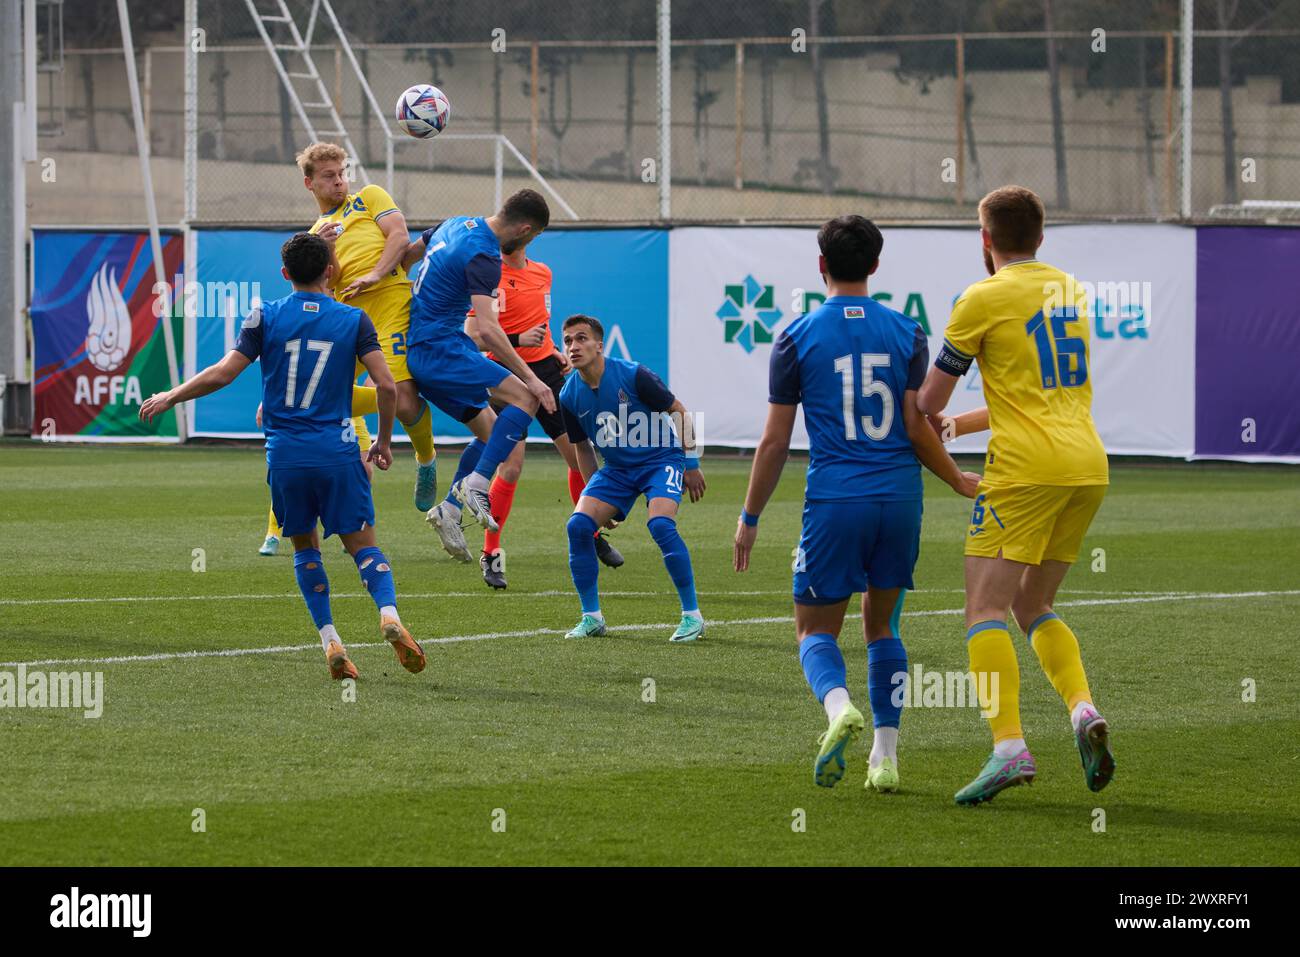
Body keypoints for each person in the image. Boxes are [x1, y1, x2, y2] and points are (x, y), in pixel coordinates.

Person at [734, 215, 979, 792]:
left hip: (836, 498)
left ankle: (839, 707)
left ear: (821, 266)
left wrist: (749, 517)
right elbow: (920, 429)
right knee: (883, 625)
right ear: (875, 265)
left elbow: (773, 442)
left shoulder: (796, 336)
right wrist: (955, 481)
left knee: (813, 629)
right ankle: (885, 759)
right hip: (899, 498)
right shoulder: (908, 331)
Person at [140, 232, 425, 680]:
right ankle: (388, 614)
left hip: (286, 455)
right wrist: (384, 442)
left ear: (285, 273)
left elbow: (223, 373)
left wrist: (172, 396)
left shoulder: (264, 316)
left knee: (304, 546)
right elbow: (388, 387)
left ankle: (331, 640)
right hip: (337, 451)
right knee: (362, 545)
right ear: (331, 270)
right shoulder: (353, 320)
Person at [916, 185, 1114, 806]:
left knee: (984, 610)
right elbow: (1028, 395)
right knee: (1034, 605)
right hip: (1085, 465)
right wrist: (962, 427)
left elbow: (927, 402)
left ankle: (1009, 748)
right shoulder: (1071, 291)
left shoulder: (980, 299)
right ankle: (1083, 711)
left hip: (1024, 471)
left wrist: (934, 422)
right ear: (1041, 237)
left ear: (985, 239)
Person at [460, 250, 624, 587]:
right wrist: (518, 340)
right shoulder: (486, 276)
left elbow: (542, 327)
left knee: (578, 454)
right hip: (505, 375)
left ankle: (588, 531)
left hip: (547, 373)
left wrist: (551, 351)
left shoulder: (542, 273)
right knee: (512, 465)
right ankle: (491, 553)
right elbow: (472, 339)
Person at [401, 190, 556, 543]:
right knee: (526, 398)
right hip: (441, 350)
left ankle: (449, 510)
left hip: (425, 348)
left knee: (493, 435)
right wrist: (533, 378)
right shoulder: (486, 256)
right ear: (526, 229)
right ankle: (478, 483)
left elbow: (409, 255)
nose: (530, 242)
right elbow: (487, 329)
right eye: (533, 237)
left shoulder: (454, 223)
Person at [558, 314, 706, 643]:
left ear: (599, 345)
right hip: (618, 470)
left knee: (661, 525)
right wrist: (595, 494)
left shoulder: (634, 374)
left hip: (660, 459)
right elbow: (582, 448)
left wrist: (692, 463)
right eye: (568, 341)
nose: (573, 346)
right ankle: (591, 617)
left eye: (581, 339)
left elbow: (678, 411)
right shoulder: (569, 395)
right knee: (578, 526)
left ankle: (692, 616)